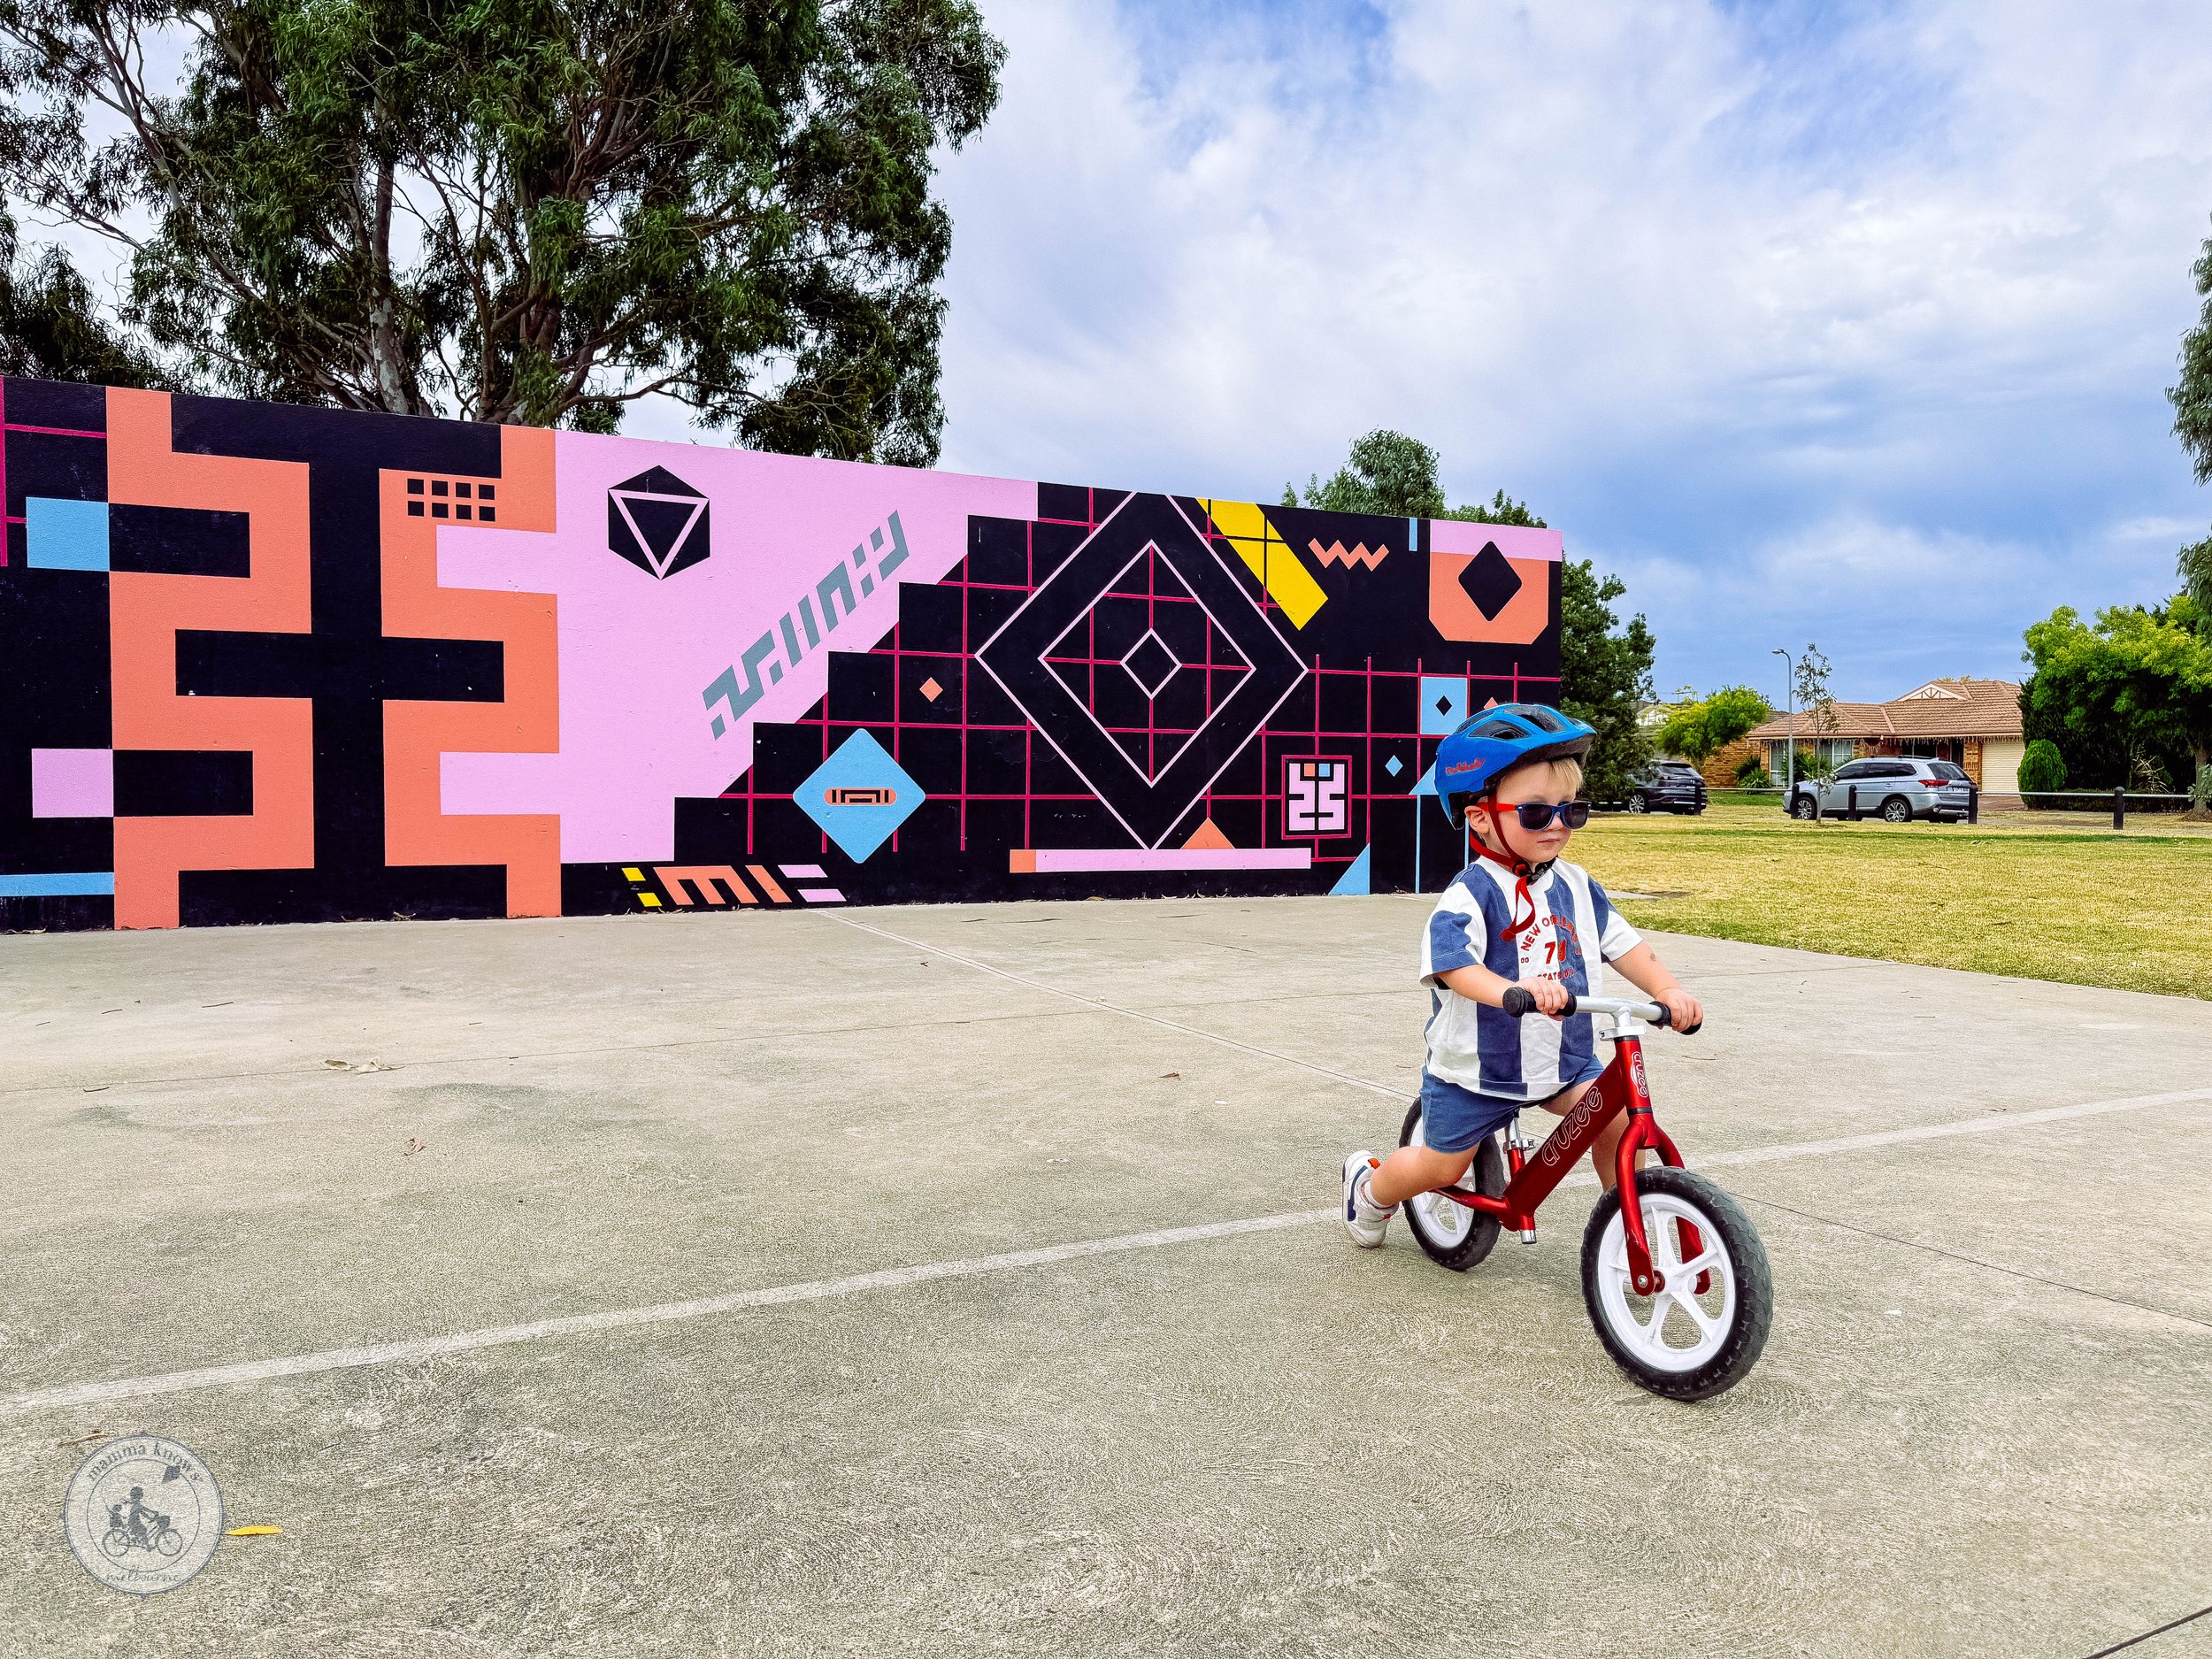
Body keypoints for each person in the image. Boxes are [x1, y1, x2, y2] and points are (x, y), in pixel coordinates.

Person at [1342, 703, 1703, 1245]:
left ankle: (1627, 1227)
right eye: (1535, 812)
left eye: (1571, 811)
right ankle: (1371, 1190)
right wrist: (1512, 990)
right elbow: (1454, 967)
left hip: (1563, 1060)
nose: (1557, 824)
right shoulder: (1472, 893)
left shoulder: (1577, 886)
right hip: (1476, 1072)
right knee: (1441, 1167)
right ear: (1481, 817)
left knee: (1615, 1121)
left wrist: (1666, 989)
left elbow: (1626, 946)